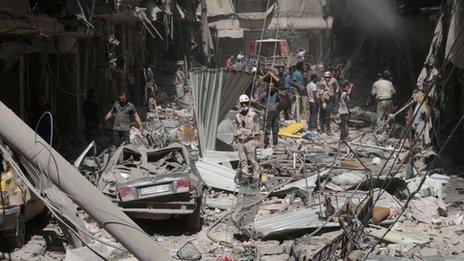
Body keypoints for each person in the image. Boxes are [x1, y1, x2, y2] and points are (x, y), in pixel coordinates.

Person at [233, 94, 260, 181]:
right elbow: (237, 128)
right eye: (242, 103)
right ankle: (245, 177)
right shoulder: (238, 116)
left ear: (248, 103)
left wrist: (257, 141)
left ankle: (256, 177)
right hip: (240, 141)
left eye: (245, 103)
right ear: (240, 105)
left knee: (253, 160)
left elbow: (257, 129)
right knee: (243, 161)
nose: (243, 105)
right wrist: (234, 141)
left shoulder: (253, 115)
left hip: (250, 141)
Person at [258, 83, 280, 147]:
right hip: (268, 113)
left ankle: (275, 143)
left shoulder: (276, 94)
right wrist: (264, 107)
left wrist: (276, 105)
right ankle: (266, 143)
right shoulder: (264, 94)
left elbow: (279, 101)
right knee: (267, 129)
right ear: (267, 87)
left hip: (275, 113)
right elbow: (259, 101)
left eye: (272, 86)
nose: (271, 87)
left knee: (275, 129)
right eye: (270, 86)